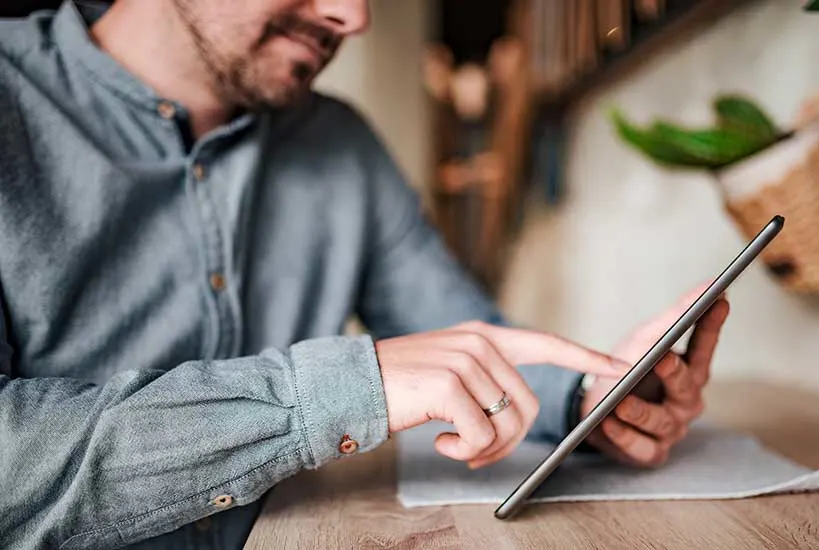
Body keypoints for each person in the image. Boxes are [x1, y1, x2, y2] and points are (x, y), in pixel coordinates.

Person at [0, 1, 730, 548]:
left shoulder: (340, 144)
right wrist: (344, 388)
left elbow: (456, 330)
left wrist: (589, 400)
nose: (353, 16)